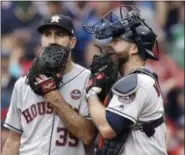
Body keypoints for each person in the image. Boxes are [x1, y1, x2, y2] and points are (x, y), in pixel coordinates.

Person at [2, 14, 97, 155]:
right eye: (47, 35)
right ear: (41, 40)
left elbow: (88, 136)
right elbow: (13, 140)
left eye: (59, 35)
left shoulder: (88, 80)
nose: (52, 41)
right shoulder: (23, 84)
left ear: (73, 42)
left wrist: (52, 95)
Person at [84, 5, 168, 155]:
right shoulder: (138, 78)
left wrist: (92, 92)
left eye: (116, 41)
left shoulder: (137, 81)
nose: (109, 45)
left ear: (134, 48)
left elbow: (107, 129)